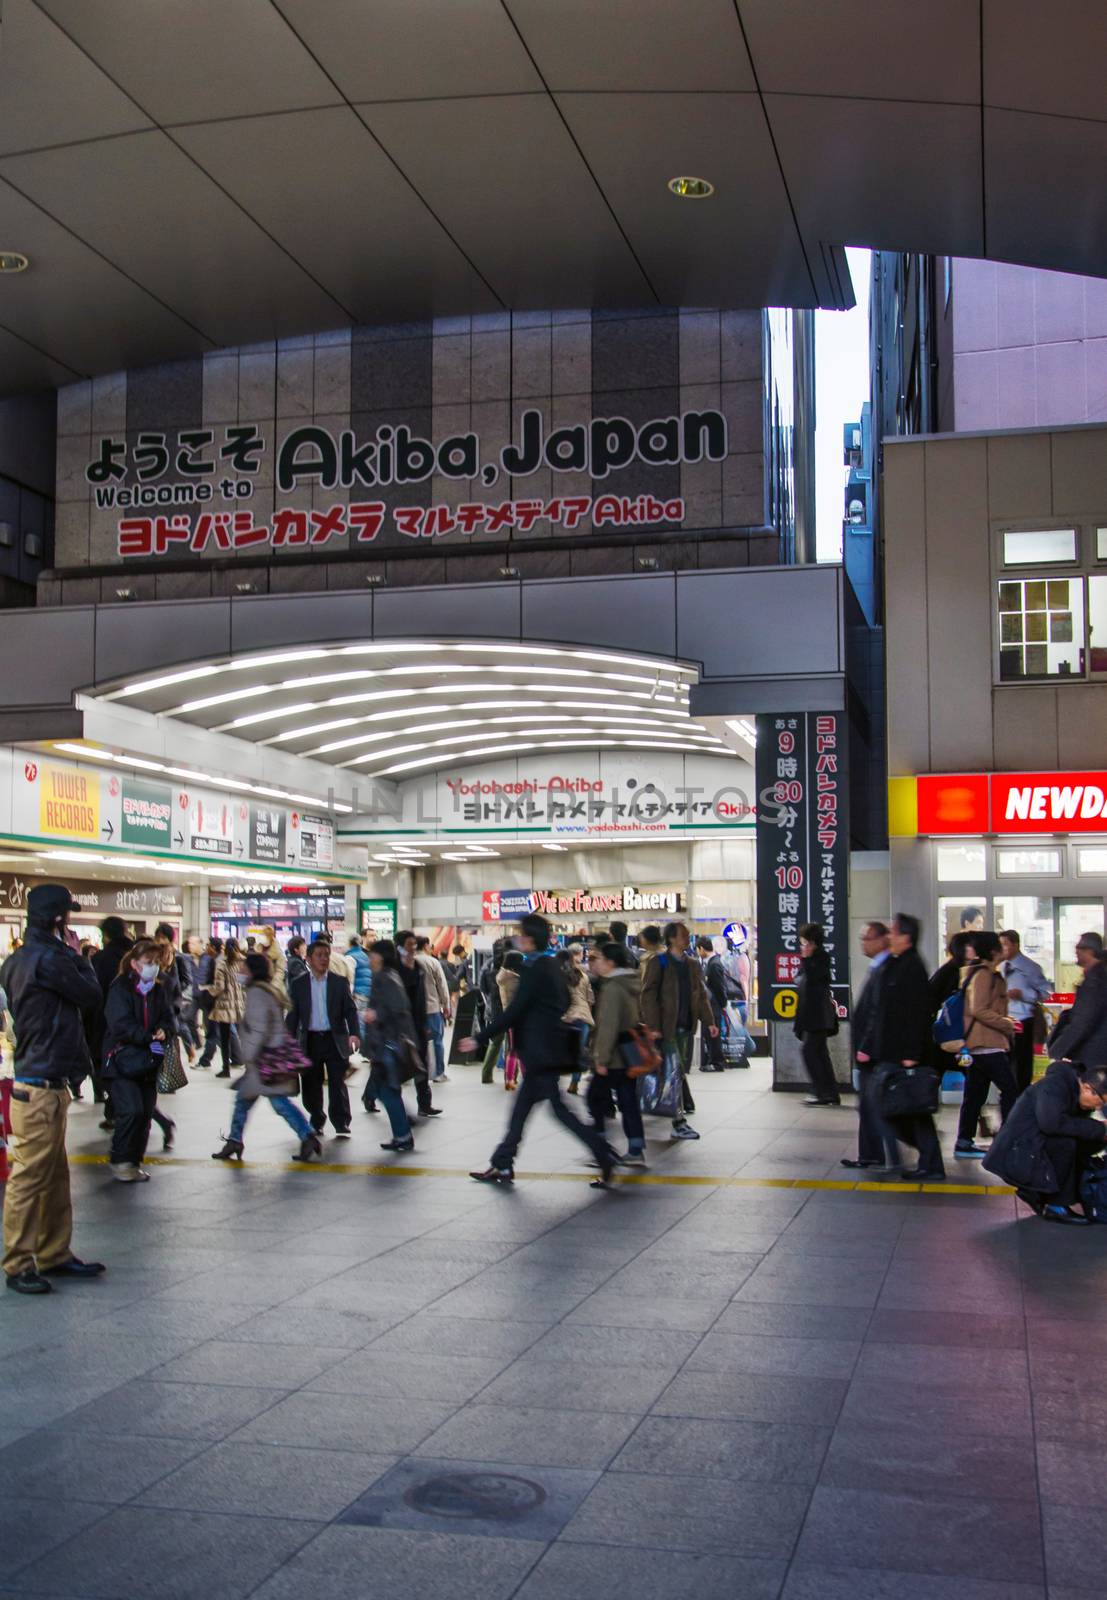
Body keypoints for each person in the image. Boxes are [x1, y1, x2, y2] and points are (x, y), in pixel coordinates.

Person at [0, 884, 105, 1294]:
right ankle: (18, 1263)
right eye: (68, 917)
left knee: (56, 1175)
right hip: (40, 1085)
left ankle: (54, 1252)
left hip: (45, 1081)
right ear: (58, 920)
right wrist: (76, 954)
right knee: (29, 1177)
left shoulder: (17, 960)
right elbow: (91, 994)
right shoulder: (49, 959)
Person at [463, 913, 617, 1186]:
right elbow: (562, 1000)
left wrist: (480, 1037)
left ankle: (604, 1155)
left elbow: (515, 1011)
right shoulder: (551, 966)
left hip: (539, 1053)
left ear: (530, 938)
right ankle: (503, 1163)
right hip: (545, 1051)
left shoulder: (536, 969)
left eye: (522, 934)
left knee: (558, 1113)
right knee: (523, 1112)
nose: (518, 938)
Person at [212, 952, 320, 1163]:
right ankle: (235, 1140)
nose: (240, 973)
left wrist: (249, 1057)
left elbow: (259, 1030)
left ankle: (307, 1135)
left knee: (278, 1102)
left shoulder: (257, 994)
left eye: (244, 969)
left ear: (253, 971)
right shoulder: (264, 991)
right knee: (244, 1100)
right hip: (267, 1059)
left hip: (264, 1061)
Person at [870, 913, 946, 1181]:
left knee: (910, 1111)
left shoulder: (913, 967)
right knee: (907, 1111)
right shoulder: (896, 963)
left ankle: (931, 1163)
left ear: (906, 937)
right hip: (893, 1051)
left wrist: (911, 1055)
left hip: (907, 1055)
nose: (889, 936)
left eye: (893, 931)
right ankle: (929, 1160)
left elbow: (917, 1014)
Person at [983, 1059, 1107, 1223]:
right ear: (1087, 1088)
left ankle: (1042, 1192)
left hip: (1032, 1146)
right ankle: (1055, 1204)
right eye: (1102, 1101)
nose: (1099, 1107)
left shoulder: (1073, 1091)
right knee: (1066, 1143)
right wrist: (1099, 1128)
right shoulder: (1054, 1086)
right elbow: (1051, 1124)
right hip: (1017, 1152)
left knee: (1094, 1139)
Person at [102, 937, 179, 1183]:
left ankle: (133, 1163)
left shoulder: (158, 990)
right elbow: (119, 1023)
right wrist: (146, 1036)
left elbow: (169, 1017)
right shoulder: (120, 988)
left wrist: (165, 1030)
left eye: (156, 962)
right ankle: (120, 1160)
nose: (153, 966)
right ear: (135, 964)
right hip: (123, 1059)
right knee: (131, 1110)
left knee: (145, 1113)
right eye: (149, 961)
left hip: (149, 1060)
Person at [639, 919, 717, 1140]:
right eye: (683, 934)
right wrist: (653, 1026)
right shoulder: (660, 962)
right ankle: (678, 1122)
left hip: (686, 1027)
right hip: (666, 1028)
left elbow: (700, 994)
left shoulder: (692, 964)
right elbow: (648, 994)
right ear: (672, 938)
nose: (687, 937)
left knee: (678, 1071)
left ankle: (671, 1113)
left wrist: (709, 1021)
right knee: (674, 1072)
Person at [286, 938, 361, 1138]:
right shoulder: (299, 984)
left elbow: (350, 1011)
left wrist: (354, 1033)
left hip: (334, 1039)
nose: (324, 959)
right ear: (308, 959)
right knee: (311, 1083)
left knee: (338, 1082)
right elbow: (293, 1015)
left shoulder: (339, 982)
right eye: (319, 955)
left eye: (326, 955)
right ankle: (316, 1118)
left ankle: (341, 1121)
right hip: (309, 1040)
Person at [954, 930, 1017, 1159]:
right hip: (985, 1044)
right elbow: (978, 1009)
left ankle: (964, 1141)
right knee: (1010, 1089)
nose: (1005, 949)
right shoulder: (983, 975)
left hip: (982, 1044)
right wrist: (1006, 1023)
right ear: (993, 951)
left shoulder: (989, 973)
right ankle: (1007, 1139)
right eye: (1001, 945)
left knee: (975, 1094)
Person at [841, 922, 895, 1170]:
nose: (864, 943)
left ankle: (878, 1155)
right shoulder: (878, 968)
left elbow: (878, 1012)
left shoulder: (885, 969)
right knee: (868, 1105)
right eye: (862, 938)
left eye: (868, 938)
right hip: (870, 1050)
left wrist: (866, 1045)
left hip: (873, 1052)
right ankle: (872, 1154)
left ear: (884, 939)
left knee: (872, 1105)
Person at [587, 942, 647, 1166]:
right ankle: (635, 1147)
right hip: (628, 1051)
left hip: (613, 1056)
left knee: (595, 1098)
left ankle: (601, 1149)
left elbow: (608, 1025)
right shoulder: (630, 982)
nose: (597, 962)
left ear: (610, 962)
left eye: (600, 958)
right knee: (628, 1100)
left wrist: (601, 1059)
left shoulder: (612, 987)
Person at [362, 939, 419, 1152]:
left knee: (387, 1090)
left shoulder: (385, 978)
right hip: (385, 1043)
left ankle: (403, 1133)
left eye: (372, 954)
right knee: (385, 1089)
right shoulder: (385, 976)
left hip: (388, 1044)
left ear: (381, 956)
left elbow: (399, 1007)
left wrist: (377, 1014)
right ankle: (403, 1127)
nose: (369, 958)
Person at [88, 915, 134, 1123]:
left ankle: (118, 1109)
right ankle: (114, 1110)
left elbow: (94, 994)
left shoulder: (101, 959)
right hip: (137, 1025)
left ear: (105, 935)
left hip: (107, 1024)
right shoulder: (136, 954)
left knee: (107, 1067)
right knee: (133, 1070)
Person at [793, 923, 841, 1107]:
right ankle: (829, 1093)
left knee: (810, 1052)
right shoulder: (810, 961)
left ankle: (822, 1091)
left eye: (804, 943)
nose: (801, 947)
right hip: (811, 1016)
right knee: (820, 1053)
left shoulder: (820, 959)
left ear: (812, 943)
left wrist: (806, 959)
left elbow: (813, 981)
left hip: (818, 1017)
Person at [1000, 929, 1051, 1097]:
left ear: (1015, 945)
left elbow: (1045, 992)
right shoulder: (999, 967)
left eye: (1005, 945)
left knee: (1021, 1064)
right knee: (1005, 1064)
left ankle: (1021, 1097)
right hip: (1002, 1021)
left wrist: (1023, 995)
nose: (1002, 949)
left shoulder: (1030, 967)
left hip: (1023, 1020)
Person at [396, 930, 441, 1117]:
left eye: (414, 944)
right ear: (399, 946)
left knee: (421, 1064)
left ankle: (425, 1104)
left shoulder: (419, 968)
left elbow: (421, 999)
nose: (413, 948)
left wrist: (424, 1024)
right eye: (409, 944)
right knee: (394, 1069)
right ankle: (371, 1095)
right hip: (399, 1027)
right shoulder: (393, 969)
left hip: (418, 1025)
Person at [1048, 933, 1107, 1071]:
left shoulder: (1095, 981)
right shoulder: (1097, 977)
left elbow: (1083, 1020)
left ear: (1090, 951)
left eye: (1080, 947)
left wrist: (1058, 1049)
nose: (1076, 951)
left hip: (1093, 1054)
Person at [201, 937, 246, 1078]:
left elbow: (219, 987)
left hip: (224, 1005)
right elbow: (245, 984)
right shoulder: (243, 962)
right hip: (239, 1004)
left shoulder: (222, 963)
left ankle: (225, 1069)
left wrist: (208, 990)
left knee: (225, 1038)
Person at [414, 934, 452, 1084]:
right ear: (425, 946)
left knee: (416, 1041)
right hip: (432, 1008)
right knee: (436, 1041)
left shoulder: (409, 961)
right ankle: (438, 1073)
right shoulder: (432, 962)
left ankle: (417, 1071)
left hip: (414, 1010)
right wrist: (446, 1005)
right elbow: (442, 985)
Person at [561, 943, 594, 1094]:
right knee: (579, 1051)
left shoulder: (561, 976)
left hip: (566, 1018)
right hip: (583, 1016)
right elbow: (590, 1000)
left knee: (564, 1050)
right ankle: (574, 1083)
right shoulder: (585, 977)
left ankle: (555, 1080)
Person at [696, 936, 730, 1072]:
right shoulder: (711, 963)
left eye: (698, 950)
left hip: (714, 1006)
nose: (698, 953)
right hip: (710, 1006)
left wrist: (722, 1004)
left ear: (702, 949)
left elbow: (720, 987)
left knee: (713, 1034)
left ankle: (717, 1062)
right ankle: (713, 1061)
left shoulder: (714, 964)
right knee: (709, 1034)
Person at [478, 940, 507, 1083]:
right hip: (510, 1008)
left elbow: (482, 987)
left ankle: (486, 1074)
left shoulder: (487, 965)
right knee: (514, 1044)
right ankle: (511, 1076)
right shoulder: (513, 963)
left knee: (495, 1042)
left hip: (494, 1008)